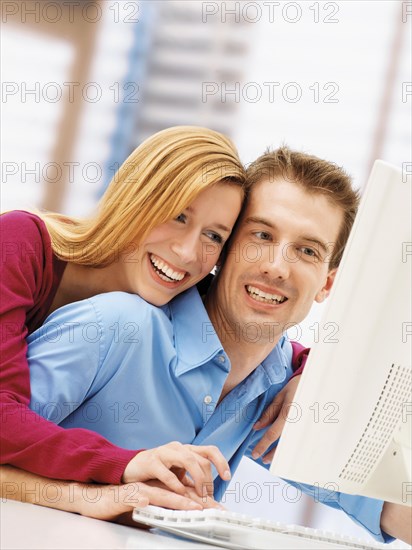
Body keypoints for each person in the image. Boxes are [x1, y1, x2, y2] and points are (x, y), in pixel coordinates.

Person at [3, 147, 411, 544]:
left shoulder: (282, 386)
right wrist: (90, 496)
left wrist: (329, 376)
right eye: (262, 235)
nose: (276, 266)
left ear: (327, 283)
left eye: (307, 250)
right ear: (224, 251)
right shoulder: (112, 327)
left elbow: (390, 505)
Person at [0, 126, 247, 507]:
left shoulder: (174, 297)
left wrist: (303, 370)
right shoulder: (18, 244)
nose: (186, 253)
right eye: (178, 216)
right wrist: (126, 463)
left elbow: (259, 336)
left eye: (213, 236)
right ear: (137, 199)